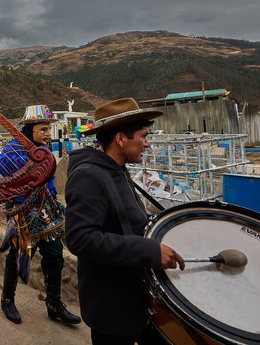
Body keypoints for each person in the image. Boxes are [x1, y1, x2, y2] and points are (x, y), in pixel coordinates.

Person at [64, 98, 185, 345]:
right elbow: (79, 238)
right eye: (142, 136)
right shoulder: (89, 176)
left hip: (134, 299)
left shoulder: (116, 170)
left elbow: (125, 221)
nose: (147, 143)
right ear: (120, 139)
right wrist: (147, 249)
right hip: (112, 309)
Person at [0, 105, 81, 325]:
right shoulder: (12, 151)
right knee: (18, 257)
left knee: (55, 256)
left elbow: (49, 180)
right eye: (43, 129)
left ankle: (54, 305)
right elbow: (2, 169)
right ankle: (7, 300)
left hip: (47, 210)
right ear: (30, 129)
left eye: (48, 130)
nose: (47, 134)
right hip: (23, 213)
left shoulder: (44, 151)